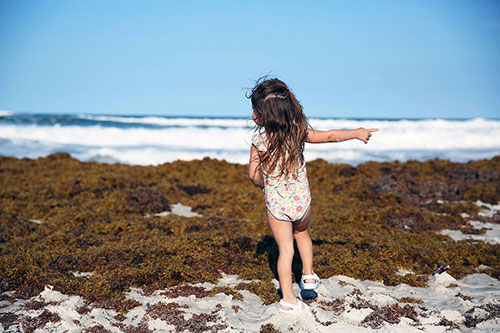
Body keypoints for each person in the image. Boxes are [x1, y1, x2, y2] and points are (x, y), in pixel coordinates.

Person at [247, 77, 378, 313]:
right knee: (303, 233)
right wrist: (357, 133)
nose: (253, 115)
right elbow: (329, 136)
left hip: (277, 205)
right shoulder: (297, 133)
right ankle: (307, 275)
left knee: (285, 251)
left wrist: (264, 184)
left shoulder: (259, 141)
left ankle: (288, 298)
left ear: (265, 115)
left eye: (255, 110)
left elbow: (253, 175)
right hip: (301, 201)